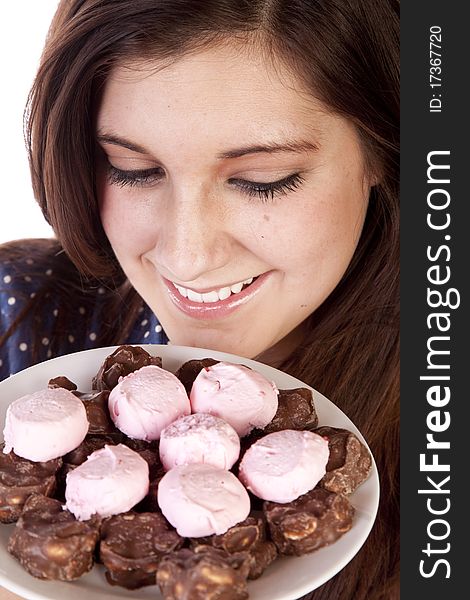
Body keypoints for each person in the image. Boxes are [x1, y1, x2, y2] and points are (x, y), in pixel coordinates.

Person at [0, 0, 399, 598]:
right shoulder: (18, 310)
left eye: (262, 179)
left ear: (382, 153)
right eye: (132, 168)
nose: (186, 257)